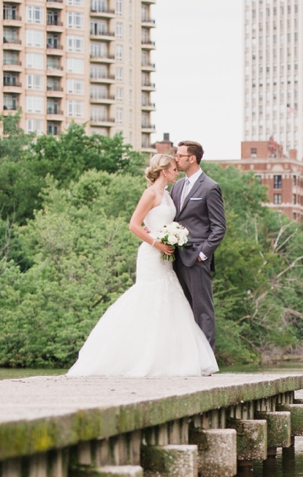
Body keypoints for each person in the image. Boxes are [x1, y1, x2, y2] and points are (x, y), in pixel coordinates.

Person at [67, 152, 218, 378]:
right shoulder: (150, 194)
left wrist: (173, 237)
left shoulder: (168, 194)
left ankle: (168, 360)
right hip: (151, 253)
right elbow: (134, 225)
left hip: (167, 253)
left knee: (171, 301)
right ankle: (135, 357)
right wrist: (157, 242)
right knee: (149, 297)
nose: (177, 172)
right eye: (174, 169)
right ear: (164, 170)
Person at [171, 141, 226, 350]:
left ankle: (206, 361)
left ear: (191, 158)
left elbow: (219, 227)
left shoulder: (210, 187)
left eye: (179, 155)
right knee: (182, 310)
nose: (176, 158)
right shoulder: (176, 186)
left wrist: (203, 254)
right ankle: (186, 356)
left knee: (202, 311)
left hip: (197, 258)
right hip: (175, 258)